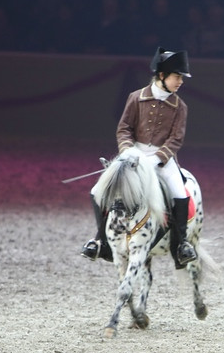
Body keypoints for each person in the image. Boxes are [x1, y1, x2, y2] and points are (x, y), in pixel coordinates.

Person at [81, 47, 198, 269]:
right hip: (133, 155)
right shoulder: (136, 98)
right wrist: (127, 152)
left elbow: (176, 140)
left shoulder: (180, 106)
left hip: (162, 160)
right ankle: (100, 240)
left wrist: (157, 158)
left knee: (179, 193)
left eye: (181, 77)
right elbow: (124, 129)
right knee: (97, 191)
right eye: (177, 76)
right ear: (162, 76)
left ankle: (181, 244)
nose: (180, 81)